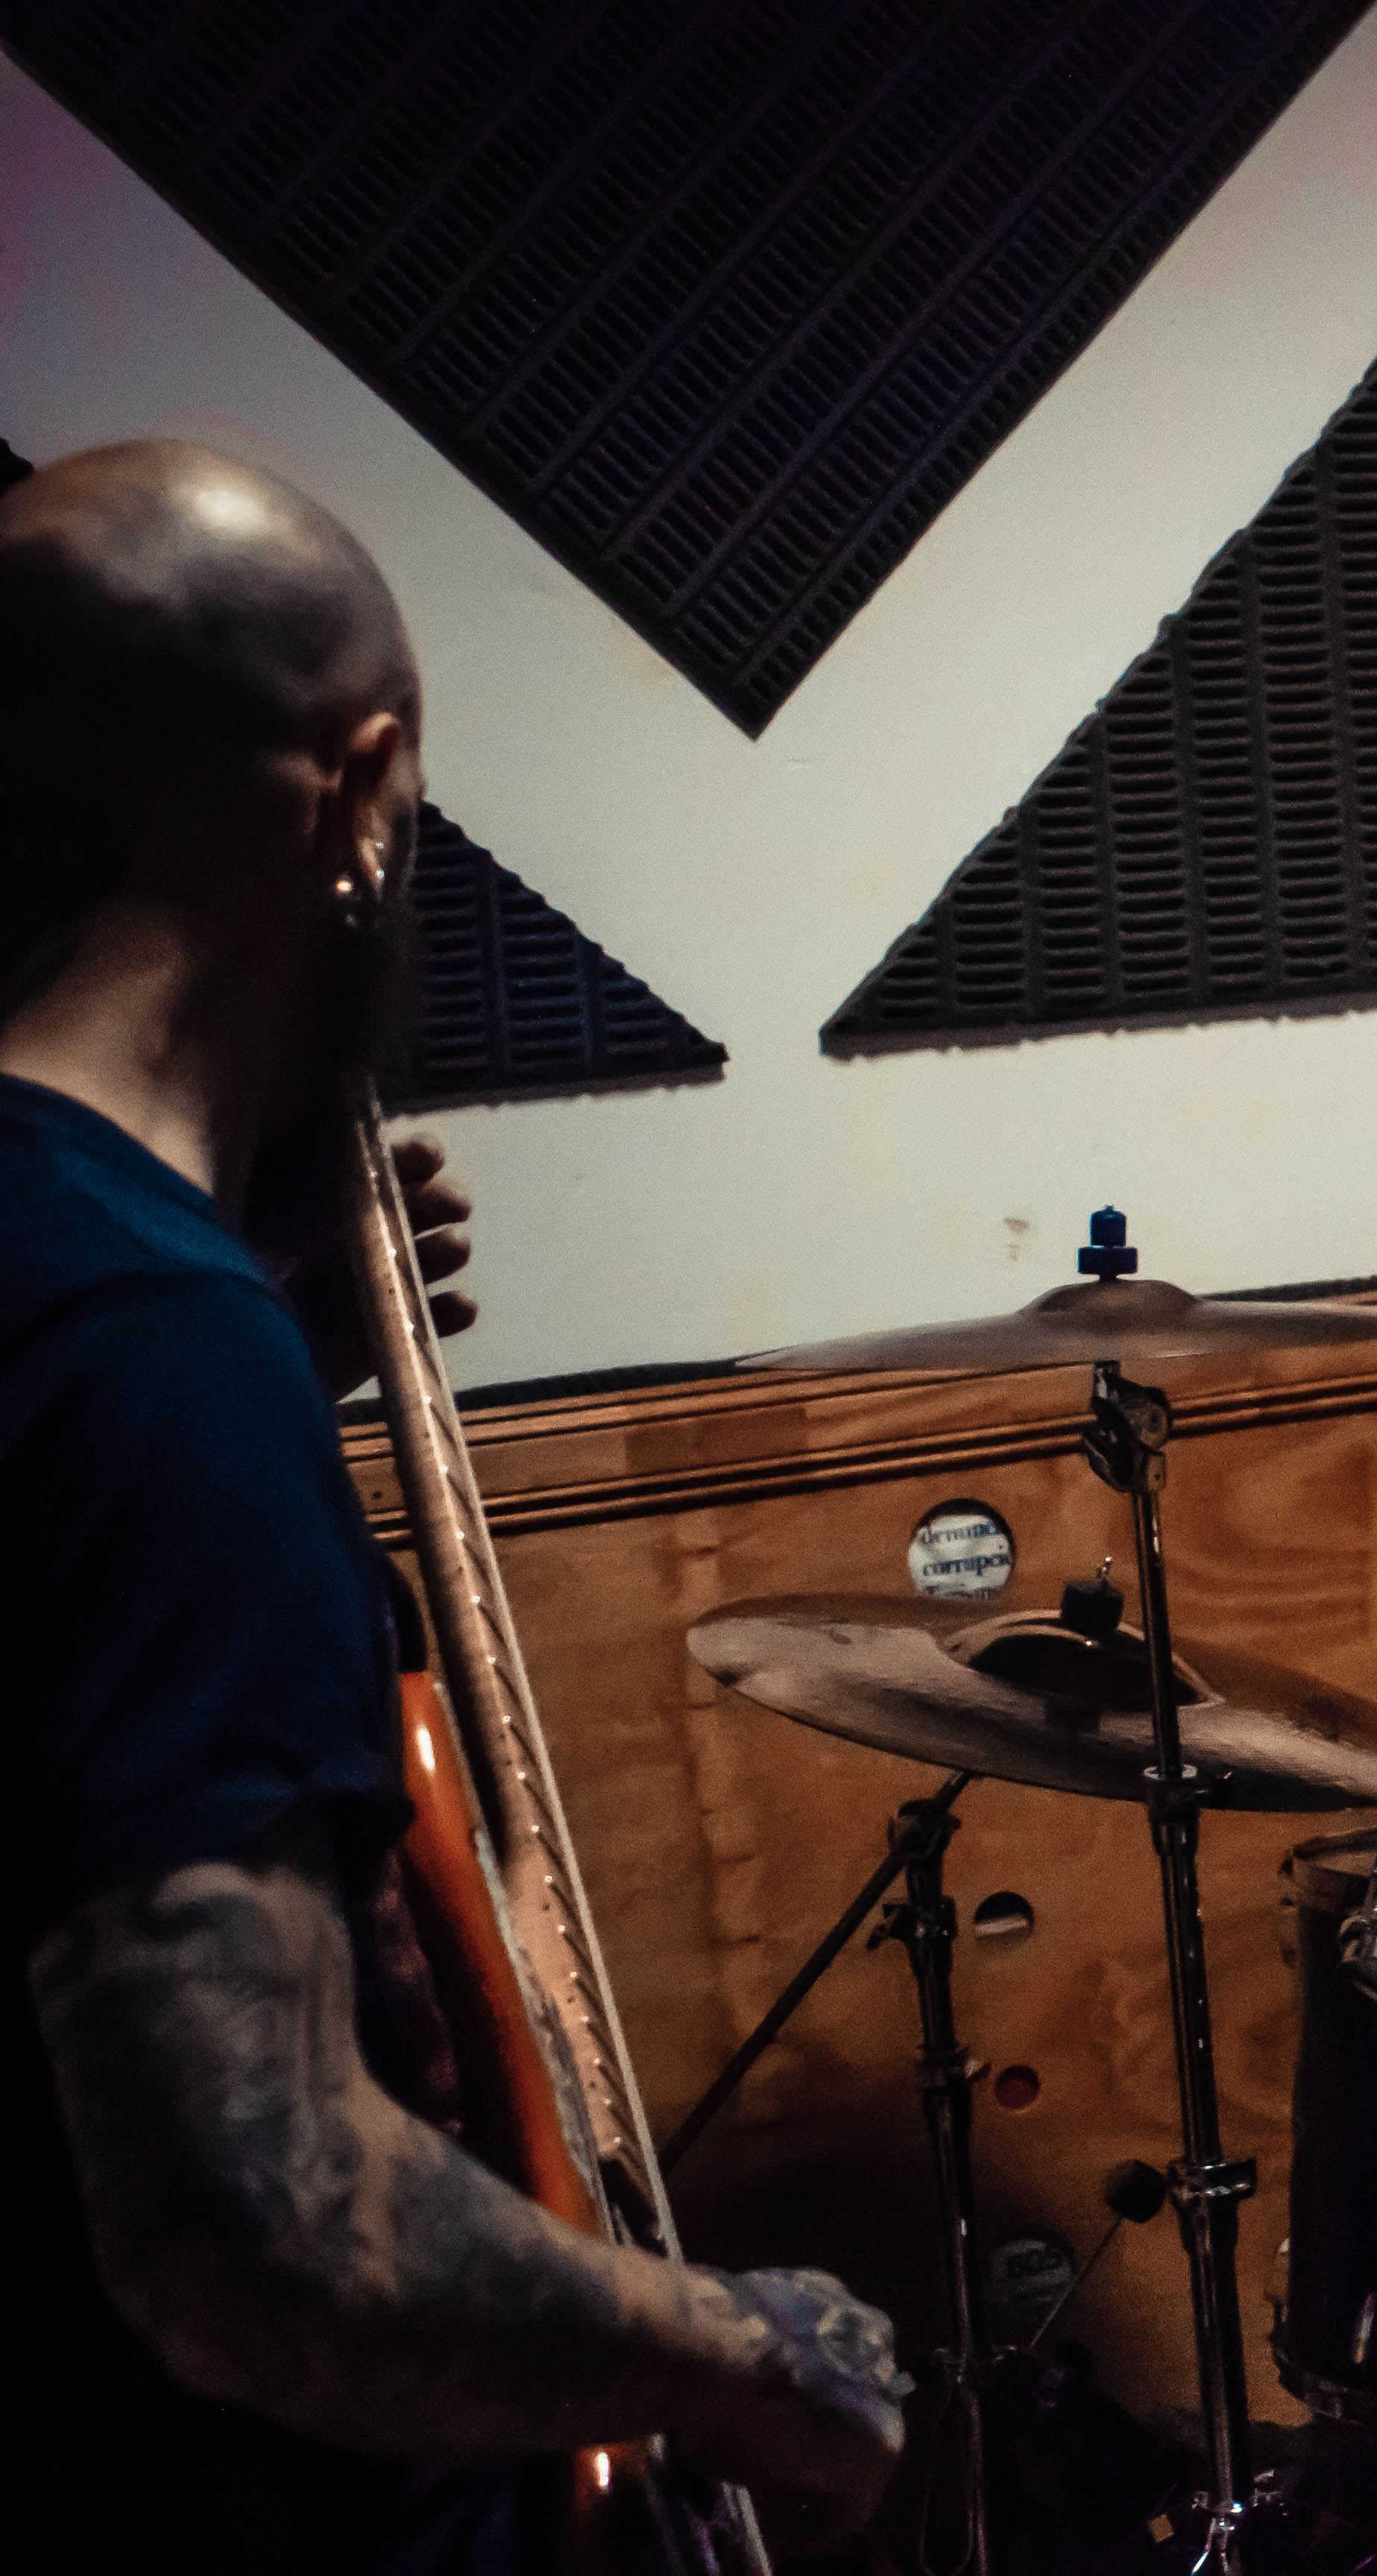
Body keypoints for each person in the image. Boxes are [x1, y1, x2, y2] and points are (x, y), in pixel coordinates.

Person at [2, 443, 907, 2572]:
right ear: (357, 796)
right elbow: (252, 2236)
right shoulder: (147, 1345)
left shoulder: (92, 1290)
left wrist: (268, 1366)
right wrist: (747, 2355)